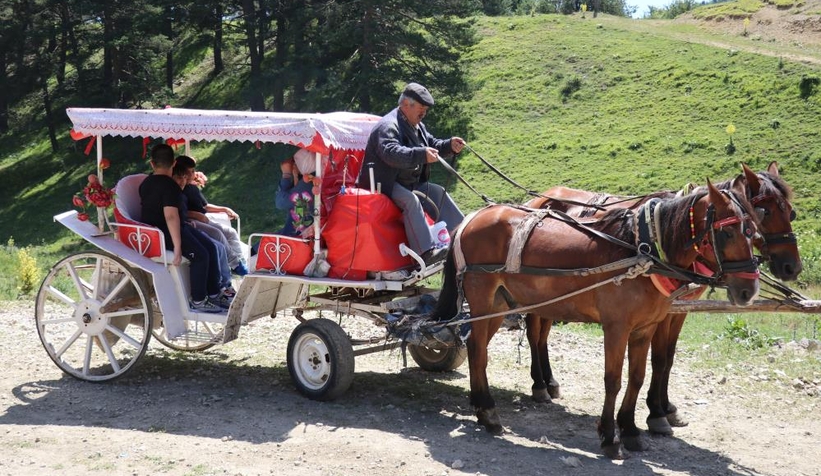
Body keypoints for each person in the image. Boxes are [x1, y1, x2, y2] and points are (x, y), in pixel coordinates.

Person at [356, 82, 465, 266]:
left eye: (425, 109)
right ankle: (425, 253)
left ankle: (464, 235)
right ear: (406, 104)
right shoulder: (387, 126)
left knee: (437, 192)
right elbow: (391, 153)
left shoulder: (416, 124)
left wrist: (449, 145)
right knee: (410, 201)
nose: (423, 113)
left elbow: (430, 143)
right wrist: (421, 155)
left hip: (407, 182)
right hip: (385, 184)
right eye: (421, 108)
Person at [139, 143, 226, 313]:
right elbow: (171, 217)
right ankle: (199, 300)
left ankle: (215, 293)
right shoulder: (170, 187)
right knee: (201, 256)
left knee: (211, 246)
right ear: (173, 164)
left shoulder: (146, 183)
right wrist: (178, 249)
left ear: (152, 163)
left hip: (171, 228)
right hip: (165, 233)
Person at [172, 160, 237, 300]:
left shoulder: (187, 190)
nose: (185, 179)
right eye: (181, 176)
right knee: (213, 246)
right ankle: (206, 295)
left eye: (189, 174)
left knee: (223, 238)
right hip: (186, 225)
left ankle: (233, 269)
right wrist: (192, 218)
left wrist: (224, 209)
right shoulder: (174, 194)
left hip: (191, 222)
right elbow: (174, 215)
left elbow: (203, 206)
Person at [174, 155, 249, 276]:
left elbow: (204, 206)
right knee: (218, 235)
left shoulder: (191, 187)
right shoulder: (178, 189)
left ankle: (240, 261)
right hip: (192, 220)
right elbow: (179, 211)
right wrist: (195, 215)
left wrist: (224, 208)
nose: (194, 174)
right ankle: (234, 265)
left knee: (230, 232)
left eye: (194, 171)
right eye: (191, 171)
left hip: (203, 217)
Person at [276, 148, 323, 237]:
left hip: (297, 240)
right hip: (299, 235)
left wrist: (286, 174)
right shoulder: (319, 177)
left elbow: (280, 202)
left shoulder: (310, 181)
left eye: (295, 160)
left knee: (255, 249)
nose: (294, 163)